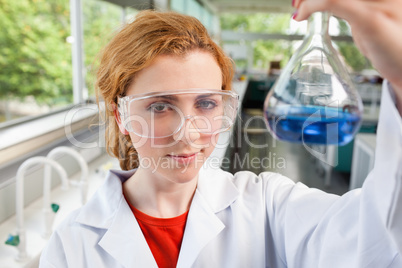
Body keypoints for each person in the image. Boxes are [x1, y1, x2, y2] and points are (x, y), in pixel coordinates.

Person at [40, 2, 402, 267]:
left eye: (207, 104)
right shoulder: (72, 243)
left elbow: (376, 241)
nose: (189, 132)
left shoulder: (267, 206)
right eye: (160, 106)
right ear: (121, 116)